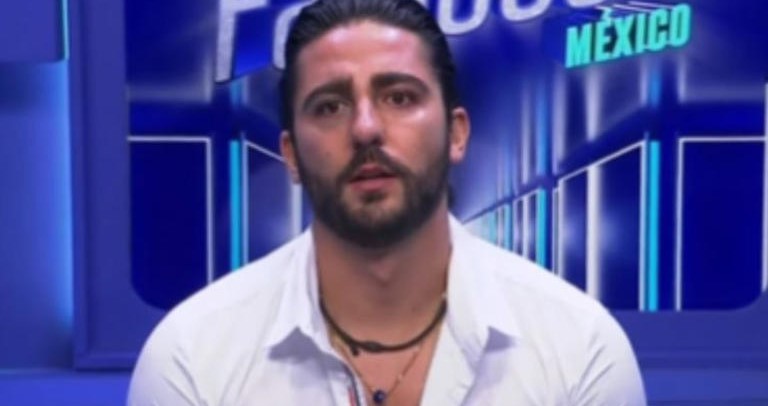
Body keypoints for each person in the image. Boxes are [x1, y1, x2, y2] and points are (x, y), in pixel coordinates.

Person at [128, 0, 646, 404]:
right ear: (290, 154)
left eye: (399, 97)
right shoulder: (192, 359)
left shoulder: (579, 348)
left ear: (456, 133)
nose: (365, 128)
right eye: (330, 106)